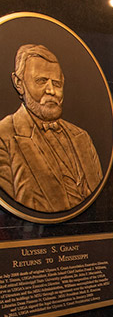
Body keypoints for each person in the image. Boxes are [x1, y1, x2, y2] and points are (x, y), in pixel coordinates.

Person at [0, 44, 103, 212]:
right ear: (19, 83)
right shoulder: (4, 137)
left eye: (57, 83)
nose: (52, 90)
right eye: (41, 81)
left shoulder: (82, 137)